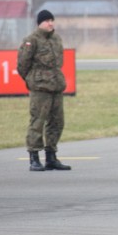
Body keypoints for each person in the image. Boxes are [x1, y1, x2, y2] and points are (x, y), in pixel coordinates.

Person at [18, 9, 71, 171]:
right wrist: (33, 80)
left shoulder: (56, 39)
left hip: (56, 86)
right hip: (40, 88)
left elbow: (58, 62)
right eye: (47, 20)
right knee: (37, 122)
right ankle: (34, 157)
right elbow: (22, 65)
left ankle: (51, 156)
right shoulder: (31, 40)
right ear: (39, 23)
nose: (50, 23)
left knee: (57, 122)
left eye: (51, 20)